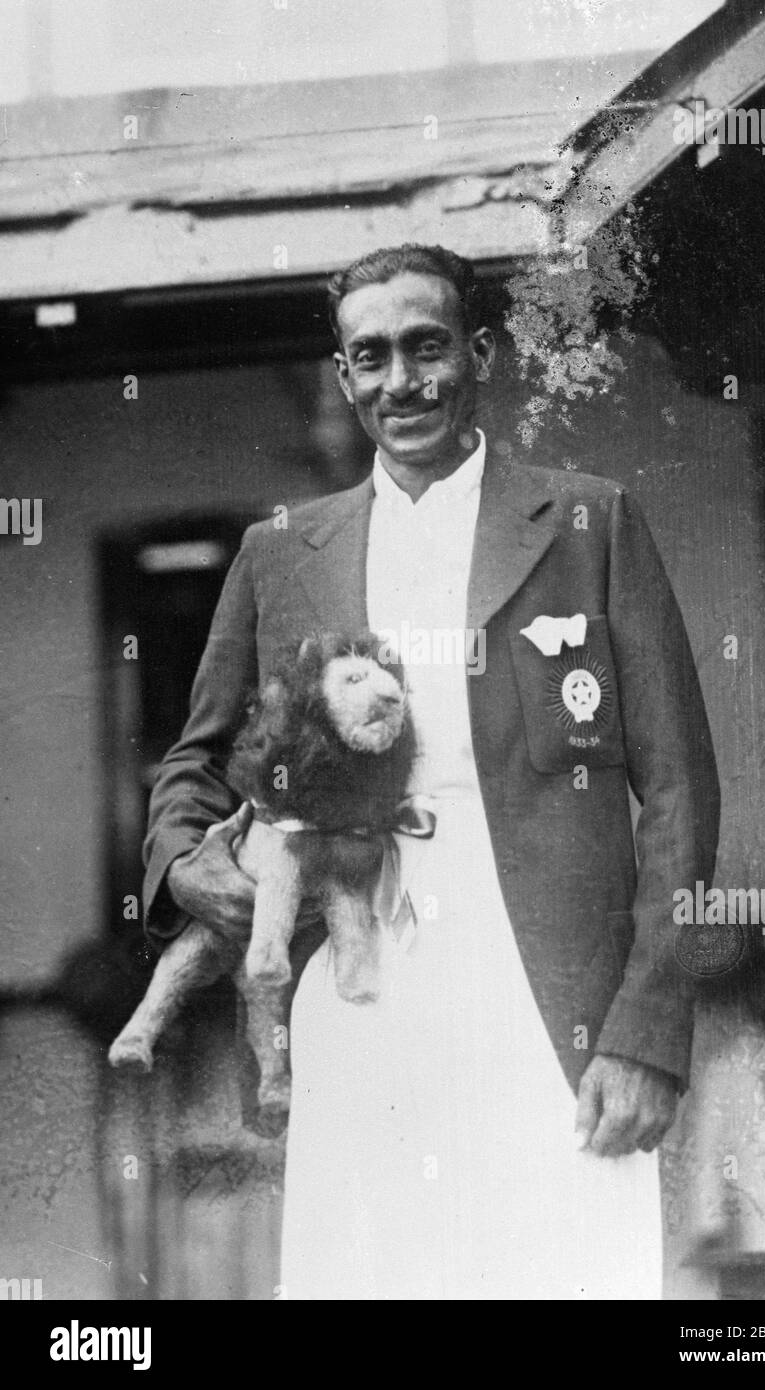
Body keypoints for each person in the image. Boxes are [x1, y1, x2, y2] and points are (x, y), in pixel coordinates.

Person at [143, 242, 720, 1299]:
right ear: (343, 376)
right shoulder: (284, 552)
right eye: (371, 357)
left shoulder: (589, 523)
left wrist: (644, 1029)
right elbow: (195, 762)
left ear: (480, 351)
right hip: (364, 997)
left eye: (426, 348)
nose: (400, 383)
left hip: (553, 1013)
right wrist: (184, 867)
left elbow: (680, 791)